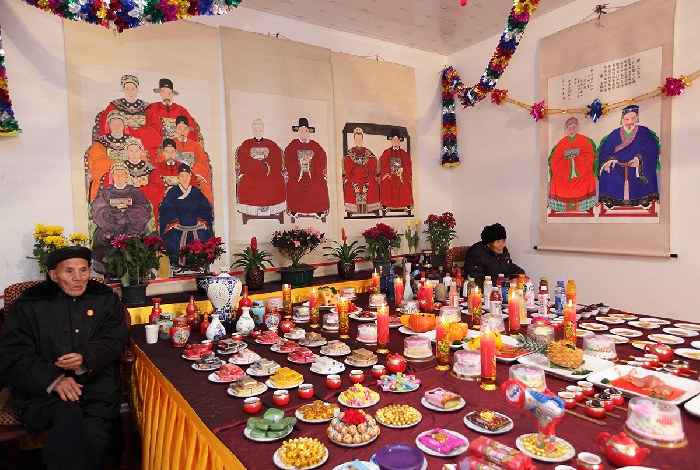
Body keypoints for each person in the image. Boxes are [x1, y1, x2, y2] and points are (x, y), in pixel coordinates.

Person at [0, 246, 129, 469]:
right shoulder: (28, 304)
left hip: (94, 386)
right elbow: (13, 354)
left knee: (92, 435)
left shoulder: (105, 299)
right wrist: (54, 380)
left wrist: (85, 358)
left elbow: (114, 338)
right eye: (69, 271)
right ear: (53, 275)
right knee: (68, 419)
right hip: (44, 390)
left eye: (83, 270)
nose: (78, 278)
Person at [598, 105, 660, 209]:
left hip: (636, 163)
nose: (629, 122)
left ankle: (643, 199)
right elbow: (605, 149)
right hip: (617, 163)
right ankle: (611, 199)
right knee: (608, 174)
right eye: (626, 119)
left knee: (645, 172)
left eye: (632, 118)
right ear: (622, 120)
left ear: (637, 118)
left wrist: (638, 160)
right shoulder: (615, 133)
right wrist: (609, 161)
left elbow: (651, 149)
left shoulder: (644, 132)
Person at [90, 163, 154, 265]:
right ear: (112, 176)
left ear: (127, 176)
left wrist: (127, 215)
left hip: (133, 226)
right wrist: (116, 215)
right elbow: (98, 209)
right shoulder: (105, 192)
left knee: (140, 238)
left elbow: (144, 207)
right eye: (116, 175)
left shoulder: (135, 192)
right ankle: (107, 267)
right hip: (110, 225)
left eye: (122, 175)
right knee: (102, 237)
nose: (119, 178)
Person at [159, 163, 214, 263]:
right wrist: (174, 221)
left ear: (190, 176)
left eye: (187, 176)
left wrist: (201, 220)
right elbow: (166, 209)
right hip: (178, 225)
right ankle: (177, 264)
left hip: (196, 224)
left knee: (202, 236)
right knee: (174, 238)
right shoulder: (172, 192)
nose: (184, 179)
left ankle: (198, 263)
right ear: (178, 177)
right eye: (182, 176)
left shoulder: (197, 192)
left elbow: (205, 208)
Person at [234, 118, 286, 223]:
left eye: (260, 130)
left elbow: (276, 160)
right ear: (252, 131)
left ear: (263, 130)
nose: (258, 132)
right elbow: (244, 160)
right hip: (252, 174)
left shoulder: (271, 144)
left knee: (277, 181)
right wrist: (259, 166)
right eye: (256, 130)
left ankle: (274, 212)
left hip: (269, 174)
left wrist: (265, 165)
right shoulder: (246, 144)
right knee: (246, 182)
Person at [140, 78, 201, 160]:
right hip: (159, 145)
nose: (167, 96)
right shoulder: (152, 108)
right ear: (160, 92)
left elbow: (192, 129)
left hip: (178, 145)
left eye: (169, 93)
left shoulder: (181, 110)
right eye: (163, 92)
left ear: (172, 94)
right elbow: (147, 128)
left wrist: (180, 136)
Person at [283, 117, 330, 221]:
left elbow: (322, 159)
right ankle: (294, 209)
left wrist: (311, 162)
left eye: (306, 131)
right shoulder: (292, 145)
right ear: (298, 132)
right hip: (297, 175)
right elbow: (288, 159)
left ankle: (318, 210)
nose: (303, 134)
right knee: (292, 184)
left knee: (320, 183)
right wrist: (299, 163)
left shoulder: (315, 145)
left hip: (313, 175)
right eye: (301, 131)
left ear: (309, 132)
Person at [547, 117, 597, 213]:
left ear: (577, 128)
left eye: (573, 128)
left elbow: (588, 156)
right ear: (566, 129)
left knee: (588, 176)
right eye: (569, 128)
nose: (571, 130)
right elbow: (555, 160)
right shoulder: (562, 143)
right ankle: (561, 207)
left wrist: (574, 162)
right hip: (565, 172)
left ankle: (584, 206)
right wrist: (569, 164)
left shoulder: (583, 140)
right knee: (556, 179)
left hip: (581, 171)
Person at [463, 223, 525, 288]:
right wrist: (506, 283)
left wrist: (517, 277)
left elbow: (511, 267)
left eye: (503, 241)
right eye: (498, 242)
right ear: (488, 244)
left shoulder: (503, 252)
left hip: (502, 289)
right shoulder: (476, 254)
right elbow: (477, 281)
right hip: (484, 292)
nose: (502, 245)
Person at [86, 110, 130, 202]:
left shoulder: (133, 142)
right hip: (106, 178)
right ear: (108, 125)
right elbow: (98, 163)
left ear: (124, 125)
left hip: (129, 177)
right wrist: (114, 176)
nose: (116, 127)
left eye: (119, 124)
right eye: (113, 124)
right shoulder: (99, 143)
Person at [93, 74, 150, 141]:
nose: (130, 92)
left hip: (142, 140)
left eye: (133, 89)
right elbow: (104, 123)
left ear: (137, 89)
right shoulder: (115, 105)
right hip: (120, 140)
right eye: (127, 89)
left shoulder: (146, 106)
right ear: (123, 89)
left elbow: (153, 126)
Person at [173, 115, 214, 207]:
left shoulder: (195, 146)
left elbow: (203, 161)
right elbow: (165, 159)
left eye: (185, 129)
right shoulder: (171, 144)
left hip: (193, 174)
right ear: (176, 130)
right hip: (175, 174)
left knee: (204, 187)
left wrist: (193, 172)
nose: (182, 132)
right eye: (179, 129)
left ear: (188, 130)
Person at [343, 127, 380, 215]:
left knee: (373, 185)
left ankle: (372, 210)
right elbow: (347, 168)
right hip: (354, 179)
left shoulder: (368, 152)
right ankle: (352, 210)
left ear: (363, 140)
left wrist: (366, 164)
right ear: (354, 140)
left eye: (360, 139)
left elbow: (373, 164)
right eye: (356, 139)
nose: (359, 141)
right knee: (349, 187)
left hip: (367, 178)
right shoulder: (350, 153)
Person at [379, 128, 413, 212]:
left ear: (399, 141)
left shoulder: (403, 153)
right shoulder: (386, 152)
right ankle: (386, 204)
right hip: (390, 175)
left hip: (401, 175)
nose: (395, 142)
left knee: (405, 182)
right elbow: (383, 164)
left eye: (397, 141)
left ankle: (406, 204)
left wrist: (403, 169)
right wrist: (389, 171)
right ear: (391, 141)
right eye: (394, 141)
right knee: (386, 181)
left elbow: (408, 164)